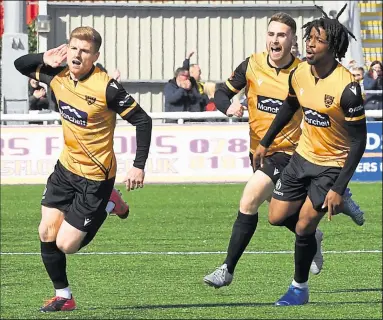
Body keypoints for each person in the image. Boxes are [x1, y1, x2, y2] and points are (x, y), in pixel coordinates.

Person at [203, 11, 364, 289]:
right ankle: (314, 234)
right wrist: (227, 106)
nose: (274, 40)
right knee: (279, 215)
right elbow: (221, 92)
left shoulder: (307, 69)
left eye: (281, 35)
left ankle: (227, 269)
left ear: (292, 42)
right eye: (271, 34)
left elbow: (346, 130)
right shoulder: (252, 65)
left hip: (292, 153)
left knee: (249, 200)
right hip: (260, 151)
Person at [14, 26, 152, 312]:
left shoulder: (107, 87)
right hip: (65, 169)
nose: (77, 55)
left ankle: (108, 205)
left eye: (85, 51)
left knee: (67, 245)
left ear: (95, 56)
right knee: (46, 231)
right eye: (74, 48)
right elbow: (19, 65)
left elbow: (143, 120)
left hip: (96, 178)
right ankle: (64, 296)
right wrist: (44, 57)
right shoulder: (58, 75)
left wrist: (138, 166)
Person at [253, 4, 367, 306]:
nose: (309, 44)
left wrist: (338, 187)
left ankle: (298, 289)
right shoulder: (300, 72)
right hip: (301, 158)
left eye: (317, 40)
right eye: (308, 38)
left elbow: (359, 142)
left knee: (303, 226)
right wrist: (266, 141)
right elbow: (290, 105)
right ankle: (329, 215)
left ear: (333, 47)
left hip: (331, 166)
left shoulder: (348, 89)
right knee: (276, 217)